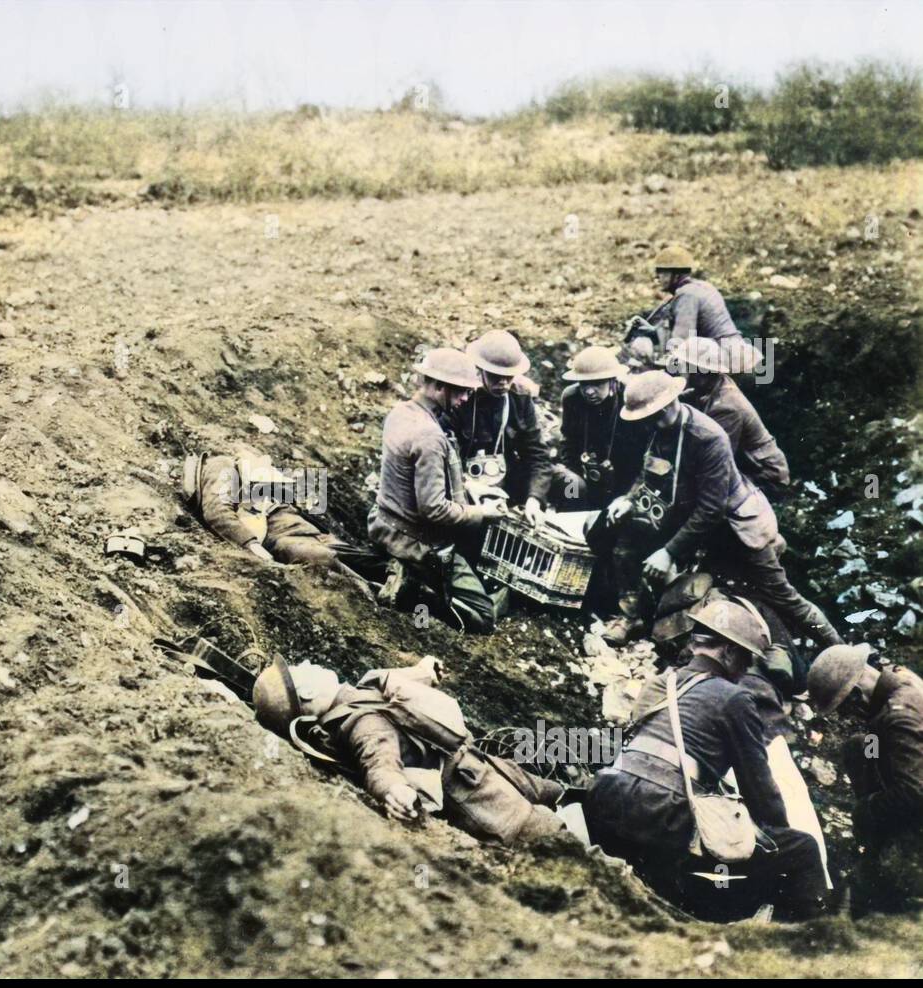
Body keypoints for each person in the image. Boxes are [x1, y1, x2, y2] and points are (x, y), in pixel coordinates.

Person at [583, 600, 829, 921]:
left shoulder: (660, 683)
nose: (745, 669)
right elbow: (761, 791)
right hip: (661, 819)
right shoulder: (735, 698)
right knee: (803, 850)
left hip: (605, 800)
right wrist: (777, 841)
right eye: (745, 658)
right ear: (727, 652)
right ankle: (814, 946)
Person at [595, 371, 840, 650]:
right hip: (691, 515)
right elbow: (649, 470)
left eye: (650, 416)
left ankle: (840, 653)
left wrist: (669, 552)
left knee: (780, 594)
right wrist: (628, 498)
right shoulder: (658, 429)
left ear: (665, 409)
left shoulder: (708, 437)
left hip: (737, 525)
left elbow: (712, 508)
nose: (645, 424)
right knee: (627, 540)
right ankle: (632, 617)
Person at [251, 653, 565, 845]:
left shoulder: (355, 696)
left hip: (483, 766)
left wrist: (425, 670)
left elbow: (392, 683)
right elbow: (378, 760)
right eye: (301, 670)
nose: (308, 664)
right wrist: (394, 790)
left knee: (560, 794)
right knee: (548, 835)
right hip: (474, 792)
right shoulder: (359, 721)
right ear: (305, 695)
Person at [369, 348, 504, 631]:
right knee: (484, 616)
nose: (466, 399)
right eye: (461, 392)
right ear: (439, 386)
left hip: (384, 523)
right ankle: (416, 589)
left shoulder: (401, 412)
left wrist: (467, 485)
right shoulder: (429, 436)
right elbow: (434, 509)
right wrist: (482, 512)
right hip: (416, 542)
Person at [808, 644, 923, 910]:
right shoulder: (896, 682)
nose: (848, 717)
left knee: (869, 892)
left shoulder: (898, 717)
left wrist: (866, 809)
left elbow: (914, 792)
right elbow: (872, 738)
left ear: (856, 696)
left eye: (845, 709)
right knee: (858, 746)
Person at [183, 446, 347, 566]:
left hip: (313, 534)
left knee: (367, 562)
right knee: (330, 560)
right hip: (291, 540)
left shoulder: (255, 486)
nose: (265, 462)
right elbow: (218, 513)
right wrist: (250, 544)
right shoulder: (222, 466)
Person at [451, 330, 551, 525]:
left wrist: (535, 499)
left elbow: (537, 455)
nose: (504, 382)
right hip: (465, 484)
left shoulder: (520, 398)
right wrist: (467, 485)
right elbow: (442, 456)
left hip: (508, 482)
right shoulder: (460, 397)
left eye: (509, 376)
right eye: (496, 376)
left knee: (570, 484)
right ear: (480, 369)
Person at [669, 337, 790, 496]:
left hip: (765, 475)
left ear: (700, 372)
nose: (681, 369)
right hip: (747, 463)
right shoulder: (713, 384)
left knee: (708, 493)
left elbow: (715, 458)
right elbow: (692, 396)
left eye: (686, 365)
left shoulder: (726, 408)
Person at [551, 345, 643, 511]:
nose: (589, 391)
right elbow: (568, 442)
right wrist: (575, 479)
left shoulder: (632, 400)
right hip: (584, 474)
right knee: (570, 501)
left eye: (597, 384)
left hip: (623, 479)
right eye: (584, 384)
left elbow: (643, 456)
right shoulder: (571, 397)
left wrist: (628, 497)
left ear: (613, 380)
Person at [643, 245, 762, 373]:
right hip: (741, 355)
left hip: (728, 361)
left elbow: (679, 342)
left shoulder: (687, 294)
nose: (657, 277)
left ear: (676, 275)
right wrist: (653, 332)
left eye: (662, 272)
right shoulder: (702, 286)